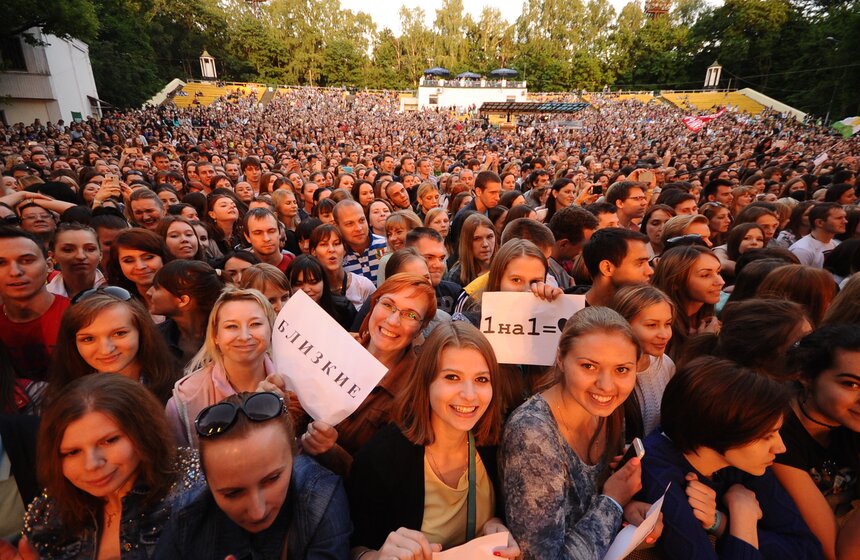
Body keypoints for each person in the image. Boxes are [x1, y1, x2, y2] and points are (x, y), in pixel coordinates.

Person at [349, 322, 520, 558]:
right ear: (425, 381)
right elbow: (351, 546)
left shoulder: (498, 444)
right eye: (452, 377)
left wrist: (495, 523)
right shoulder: (380, 458)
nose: (469, 395)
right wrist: (376, 556)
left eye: (481, 379)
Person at [502, 307, 661, 559]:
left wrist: (626, 508)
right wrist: (614, 502)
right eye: (589, 366)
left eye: (621, 370)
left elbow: (591, 502)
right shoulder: (533, 434)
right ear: (560, 359)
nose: (606, 385)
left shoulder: (606, 412)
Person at [638, 356, 824, 560]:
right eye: (765, 437)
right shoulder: (659, 478)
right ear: (716, 430)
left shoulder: (738, 461)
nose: (780, 448)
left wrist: (723, 523)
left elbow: (808, 550)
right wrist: (744, 516)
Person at [20, 374, 202, 559]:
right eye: (72, 452)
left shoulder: (195, 494)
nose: (92, 464)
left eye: (109, 441)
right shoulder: (49, 512)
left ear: (144, 432)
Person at [155, 391, 351, 559]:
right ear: (207, 482)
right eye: (233, 493)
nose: (258, 512)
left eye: (272, 479)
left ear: (294, 459)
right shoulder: (188, 519)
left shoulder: (320, 499)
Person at [299, 274, 436, 475]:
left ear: (420, 329)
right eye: (388, 304)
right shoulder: (337, 347)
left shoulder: (414, 395)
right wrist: (279, 398)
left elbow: (384, 479)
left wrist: (332, 451)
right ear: (373, 304)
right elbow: (296, 406)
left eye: (411, 315)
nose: (393, 320)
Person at [773, 326, 860, 560]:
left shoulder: (848, 422)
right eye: (851, 384)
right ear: (805, 376)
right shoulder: (775, 436)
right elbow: (838, 554)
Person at [166, 288, 282, 448]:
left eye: (255, 324)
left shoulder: (296, 382)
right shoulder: (186, 400)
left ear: (271, 329)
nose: (244, 336)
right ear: (215, 336)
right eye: (232, 326)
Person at [47, 288, 180, 405]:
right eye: (88, 339)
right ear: (72, 343)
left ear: (142, 330)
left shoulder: (180, 390)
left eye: (119, 333)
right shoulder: (63, 399)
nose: (106, 350)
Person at [0, 226, 70, 381]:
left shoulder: (78, 316)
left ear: (49, 266)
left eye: (26, 260)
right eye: (1, 263)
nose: (15, 272)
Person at [608, 284, 676, 441]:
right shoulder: (606, 374)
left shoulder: (666, 365)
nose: (664, 334)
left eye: (668, 324)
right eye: (652, 325)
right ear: (623, 324)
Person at [652, 245, 724, 360]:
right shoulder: (659, 328)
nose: (721, 281)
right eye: (705, 275)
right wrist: (704, 341)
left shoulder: (713, 320)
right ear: (675, 281)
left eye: (719, 272)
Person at [148, 260, 225, 367]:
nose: (149, 292)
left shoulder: (225, 338)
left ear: (183, 300)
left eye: (156, 288)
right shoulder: (155, 337)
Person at [579, 228, 653, 307]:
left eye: (647, 262)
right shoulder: (568, 312)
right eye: (640, 263)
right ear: (607, 268)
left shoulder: (647, 310)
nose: (650, 271)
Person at [309, 223, 376, 309]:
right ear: (313, 251)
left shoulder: (363, 286)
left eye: (336, 244)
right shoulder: (311, 290)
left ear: (344, 249)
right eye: (324, 245)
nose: (331, 250)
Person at [106, 227, 172, 310]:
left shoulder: (186, 296)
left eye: (148, 257)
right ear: (118, 265)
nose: (140, 266)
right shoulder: (115, 303)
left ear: (163, 257)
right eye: (128, 260)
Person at [286, 254, 357, 330]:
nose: (306, 289)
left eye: (313, 282)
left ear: (324, 282)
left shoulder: (343, 308)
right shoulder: (284, 314)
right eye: (298, 284)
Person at [46, 221, 105, 299]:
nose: (81, 256)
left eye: (90, 249)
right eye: (68, 250)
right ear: (53, 256)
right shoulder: (44, 298)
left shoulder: (116, 292)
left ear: (100, 254)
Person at [334, 200, 387, 284]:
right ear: (337, 226)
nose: (358, 228)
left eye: (361, 220)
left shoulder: (386, 245)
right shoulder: (336, 255)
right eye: (349, 224)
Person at [790, 202, 847, 268]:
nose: (845, 221)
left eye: (844, 217)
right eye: (839, 218)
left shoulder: (835, 244)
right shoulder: (802, 250)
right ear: (819, 223)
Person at [446, 213, 496, 288]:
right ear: (466, 242)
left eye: (490, 237)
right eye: (477, 239)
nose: (485, 244)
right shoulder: (456, 276)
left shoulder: (504, 267)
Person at [242, 208, 295, 273]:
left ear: (279, 232)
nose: (266, 238)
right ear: (247, 237)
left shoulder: (295, 265)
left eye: (271, 231)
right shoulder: (241, 269)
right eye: (258, 233)